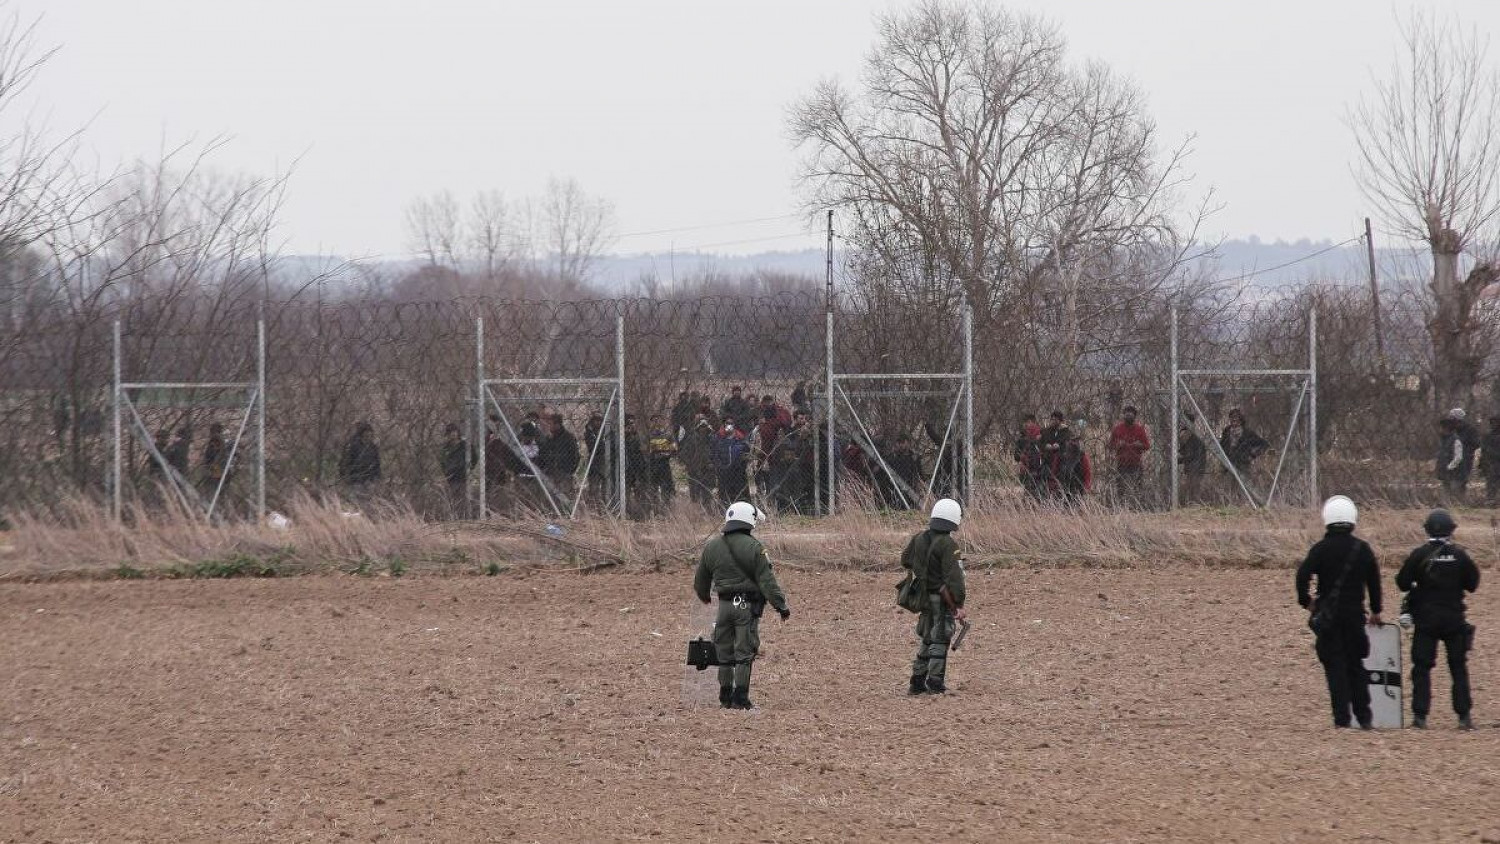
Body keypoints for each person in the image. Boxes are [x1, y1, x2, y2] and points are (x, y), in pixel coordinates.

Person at [1295, 495, 1383, 729]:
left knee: (1335, 668)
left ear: (1327, 519)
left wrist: (1307, 602)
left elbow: (1302, 575)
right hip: (1355, 616)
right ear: (1352, 519)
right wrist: (1376, 610)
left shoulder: (1321, 549)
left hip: (1330, 619)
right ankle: (1364, 719)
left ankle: (1341, 720)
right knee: (1356, 666)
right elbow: (1374, 581)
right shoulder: (1362, 549)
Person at [692, 502, 790, 709]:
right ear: (749, 520)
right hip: (746, 607)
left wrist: (704, 596)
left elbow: (700, 581)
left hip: (724, 607)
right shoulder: (755, 548)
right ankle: (741, 699)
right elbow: (767, 582)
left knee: (724, 652)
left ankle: (725, 698)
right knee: (744, 653)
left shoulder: (712, 546)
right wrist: (781, 606)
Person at [1396, 509, 1480, 730]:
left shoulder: (1419, 554)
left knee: (1421, 668)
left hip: (1426, 621)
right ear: (1451, 531)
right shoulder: (1460, 555)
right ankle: (1464, 716)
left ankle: (1420, 716)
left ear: (1427, 530)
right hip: (1454, 619)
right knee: (1458, 668)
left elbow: (1402, 582)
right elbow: (1473, 584)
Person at [902, 498, 968, 695]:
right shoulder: (948, 544)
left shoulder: (919, 538)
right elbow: (954, 578)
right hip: (941, 599)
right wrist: (958, 604)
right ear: (954, 519)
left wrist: (924, 572)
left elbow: (905, 560)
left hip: (923, 597)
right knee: (939, 639)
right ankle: (935, 683)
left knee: (927, 639)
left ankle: (917, 682)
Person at [1107, 405, 1151, 505]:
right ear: (1123, 415)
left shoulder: (1139, 429)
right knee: (1121, 487)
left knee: (1137, 487)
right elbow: (1110, 445)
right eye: (1126, 413)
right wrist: (1118, 445)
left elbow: (1147, 445)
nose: (1128, 415)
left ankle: (1138, 505)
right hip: (1122, 463)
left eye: (1131, 414)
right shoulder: (1117, 429)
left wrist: (1139, 445)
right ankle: (1121, 505)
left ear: (1134, 416)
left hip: (1136, 463)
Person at [679, 414, 718, 511]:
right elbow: (683, 454)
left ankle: (708, 510)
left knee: (707, 492)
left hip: (708, 470)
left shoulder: (711, 438)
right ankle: (697, 512)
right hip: (695, 471)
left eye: (705, 426)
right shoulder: (692, 439)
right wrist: (691, 465)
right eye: (701, 426)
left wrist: (712, 463)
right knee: (695, 494)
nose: (703, 429)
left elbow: (716, 452)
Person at [1220, 408, 1268, 482]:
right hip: (1227, 465)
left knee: (1243, 487)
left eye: (1236, 418)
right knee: (1226, 488)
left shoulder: (1248, 433)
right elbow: (1221, 445)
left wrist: (1253, 453)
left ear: (1240, 419)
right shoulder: (1226, 431)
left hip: (1242, 465)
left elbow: (1264, 444)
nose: (1234, 420)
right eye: (1232, 418)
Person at [711, 421, 750, 506]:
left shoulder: (740, 440)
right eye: (727, 424)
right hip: (724, 473)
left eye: (731, 423)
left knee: (740, 493)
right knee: (725, 495)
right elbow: (715, 456)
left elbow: (747, 453)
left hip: (738, 472)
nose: (729, 426)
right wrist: (720, 466)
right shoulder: (719, 440)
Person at [1436, 417, 1473, 504]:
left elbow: (1458, 457)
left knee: (1456, 491)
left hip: (1456, 472)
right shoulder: (1444, 439)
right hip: (1448, 472)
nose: (1439, 429)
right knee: (1446, 489)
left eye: (1441, 427)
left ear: (1446, 428)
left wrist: (1449, 467)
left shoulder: (1456, 440)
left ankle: (1465, 505)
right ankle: (1445, 505)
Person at [339, 422, 381, 495]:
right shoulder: (353, 445)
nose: (369, 435)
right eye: (367, 433)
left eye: (370, 433)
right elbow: (345, 461)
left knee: (369, 501)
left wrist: (377, 477)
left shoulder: (373, 447)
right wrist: (344, 476)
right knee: (357, 501)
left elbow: (377, 463)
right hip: (356, 479)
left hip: (369, 479)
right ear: (362, 433)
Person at [647, 415, 677, 511]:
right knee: (653, 487)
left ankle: (666, 508)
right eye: (654, 421)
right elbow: (647, 450)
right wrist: (662, 449)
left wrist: (659, 450)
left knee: (666, 487)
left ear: (662, 421)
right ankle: (655, 508)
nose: (656, 422)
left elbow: (674, 449)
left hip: (664, 464)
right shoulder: (649, 435)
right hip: (653, 465)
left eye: (658, 420)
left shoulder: (668, 435)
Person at [1012, 415, 1046, 501]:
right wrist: (1022, 456)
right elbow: (1016, 456)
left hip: (1039, 468)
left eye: (1028, 422)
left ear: (1033, 422)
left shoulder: (1042, 435)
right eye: (1025, 423)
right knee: (1029, 489)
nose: (1026, 425)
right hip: (1027, 468)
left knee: (1037, 489)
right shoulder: (1022, 439)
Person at [1177, 414, 1207, 505]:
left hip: (1196, 466)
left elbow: (1190, 454)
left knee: (1192, 489)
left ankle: (1193, 505)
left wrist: (1178, 459)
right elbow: (1184, 450)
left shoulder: (1193, 435)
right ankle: (1187, 505)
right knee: (1186, 489)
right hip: (1191, 466)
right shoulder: (1184, 433)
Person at [440, 422, 469, 506]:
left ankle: (464, 515)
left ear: (458, 432)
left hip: (462, 476)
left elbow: (474, 457)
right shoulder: (446, 448)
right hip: (451, 477)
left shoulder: (464, 445)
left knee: (463, 499)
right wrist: (446, 472)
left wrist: (468, 467)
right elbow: (442, 461)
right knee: (452, 500)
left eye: (454, 431)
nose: (452, 434)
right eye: (450, 432)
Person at [199, 422, 228, 494]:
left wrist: (214, 463)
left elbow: (220, 452)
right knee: (217, 487)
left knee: (212, 487)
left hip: (215, 467)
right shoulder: (220, 439)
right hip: (216, 466)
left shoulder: (217, 438)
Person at [1479, 415, 1500, 505]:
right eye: (1492, 423)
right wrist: (1481, 463)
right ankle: (1491, 500)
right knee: (1491, 482)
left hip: (1497, 461)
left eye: (1496, 422)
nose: (1493, 425)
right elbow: (1483, 451)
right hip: (1490, 463)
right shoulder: (1487, 436)